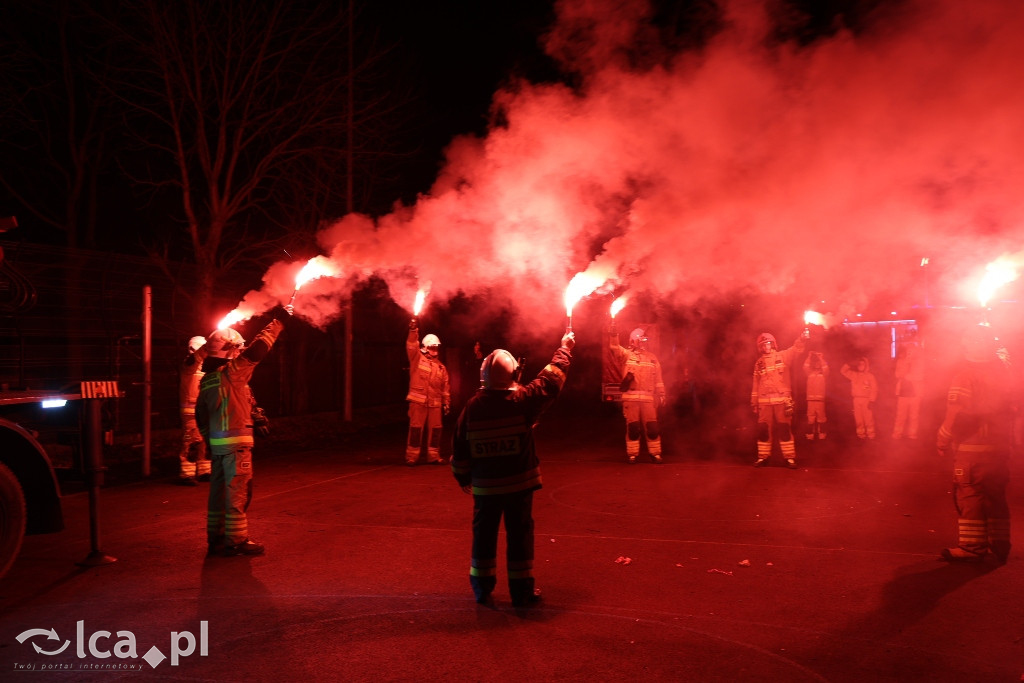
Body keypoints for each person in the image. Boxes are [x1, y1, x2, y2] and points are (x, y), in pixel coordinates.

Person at [451, 331, 574, 607]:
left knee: (483, 538)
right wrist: (564, 349)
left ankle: (482, 589)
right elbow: (550, 381)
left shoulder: (472, 408)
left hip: (485, 489)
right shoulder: (522, 402)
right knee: (519, 538)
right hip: (519, 487)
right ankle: (522, 593)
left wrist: (462, 476)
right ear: (512, 375)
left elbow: (459, 447)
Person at [196, 318, 284, 557]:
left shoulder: (207, 380)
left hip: (219, 447)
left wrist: (213, 439)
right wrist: (278, 322)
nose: (240, 352)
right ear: (229, 350)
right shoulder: (232, 373)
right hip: (237, 447)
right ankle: (236, 540)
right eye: (237, 348)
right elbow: (258, 351)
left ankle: (216, 537)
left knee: (218, 493)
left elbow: (201, 416)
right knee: (237, 492)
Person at [936, 324, 1015, 563]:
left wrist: (942, 438)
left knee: (970, 496)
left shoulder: (965, 376)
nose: (963, 344)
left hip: (972, 449)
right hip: (999, 448)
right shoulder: (1004, 374)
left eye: (967, 340)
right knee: (996, 495)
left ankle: (972, 546)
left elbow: (956, 412)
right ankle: (1000, 544)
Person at [608, 325, 667, 463]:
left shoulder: (652, 358)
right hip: (631, 399)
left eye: (645, 340)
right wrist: (613, 334)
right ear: (633, 340)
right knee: (633, 427)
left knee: (652, 428)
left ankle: (655, 453)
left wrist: (662, 394)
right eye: (641, 340)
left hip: (648, 400)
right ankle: (632, 454)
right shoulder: (626, 355)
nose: (644, 342)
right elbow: (614, 348)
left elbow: (658, 379)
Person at [751, 331, 806, 468]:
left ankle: (789, 458)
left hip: (782, 401)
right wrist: (754, 402)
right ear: (760, 348)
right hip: (764, 402)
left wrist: (802, 338)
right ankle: (763, 457)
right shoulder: (759, 363)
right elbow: (755, 383)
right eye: (763, 345)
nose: (766, 347)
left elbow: (795, 349)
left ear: (773, 344)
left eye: (768, 343)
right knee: (763, 430)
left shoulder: (782, 356)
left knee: (784, 429)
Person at [405, 319, 451, 465]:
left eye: (436, 347)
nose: (435, 349)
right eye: (432, 346)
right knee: (416, 429)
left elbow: (445, 389)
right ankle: (412, 457)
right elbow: (412, 345)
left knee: (436, 431)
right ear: (425, 347)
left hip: (435, 405)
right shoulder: (416, 359)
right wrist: (413, 331)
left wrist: (446, 404)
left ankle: (433, 456)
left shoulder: (441, 368)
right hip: (418, 403)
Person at [177, 336, 211, 486]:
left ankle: (204, 472)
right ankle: (186, 475)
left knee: (204, 441)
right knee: (190, 442)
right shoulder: (188, 364)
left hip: (204, 410)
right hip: (190, 412)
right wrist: (209, 345)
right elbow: (195, 359)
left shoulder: (205, 368)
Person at [840, 357, 878, 440]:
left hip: (866, 400)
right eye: (859, 364)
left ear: (866, 365)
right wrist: (850, 364)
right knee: (858, 418)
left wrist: (872, 400)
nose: (861, 366)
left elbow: (874, 389)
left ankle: (871, 435)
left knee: (868, 418)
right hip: (856, 400)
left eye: (863, 364)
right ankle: (861, 435)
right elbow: (843, 371)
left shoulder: (870, 376)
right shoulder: (854, 375)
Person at [892, 342, 924, 440]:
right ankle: (897, 433)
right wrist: (906, 365)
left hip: (915, 394)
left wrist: (909, 376)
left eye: (912, 350)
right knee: (900, 415)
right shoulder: (901, 361)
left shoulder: (919, 362)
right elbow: (897, 374)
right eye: (908, 350)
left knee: (914, 416)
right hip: (902, 393)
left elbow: (921, 376)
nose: (910, 352)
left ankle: (912, 434)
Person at [803, 351, 829, 440]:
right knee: (810, 417)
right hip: (810, 399)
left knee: (821, 418)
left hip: (820, 400)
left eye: (819, 363)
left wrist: (821, 358)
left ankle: (821, 433)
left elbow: (825, 367)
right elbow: (805, 366)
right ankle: (810, 434)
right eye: (816, 363)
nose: (817, 364)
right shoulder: (809, 373)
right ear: (813, 364)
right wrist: (809, 357)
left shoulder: (824, 374)